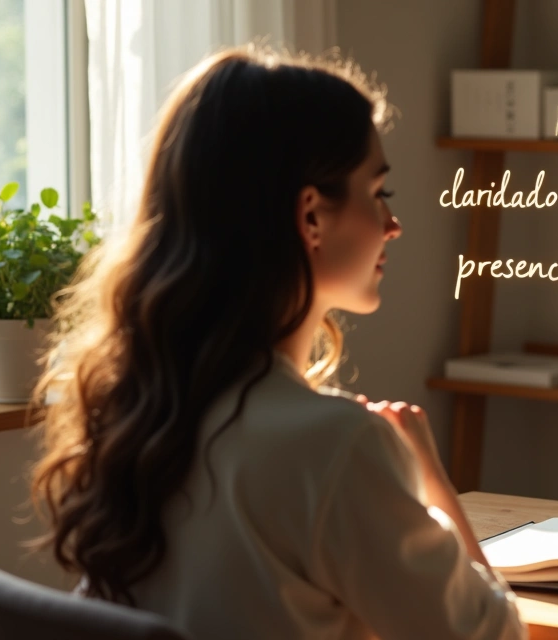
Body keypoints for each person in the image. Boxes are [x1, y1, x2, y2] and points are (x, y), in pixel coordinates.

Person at [28, 45, 525, 640]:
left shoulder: (139, 410)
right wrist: (434, 487)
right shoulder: (335, 446)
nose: (392, 225)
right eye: (378, 193)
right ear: (311, 216)